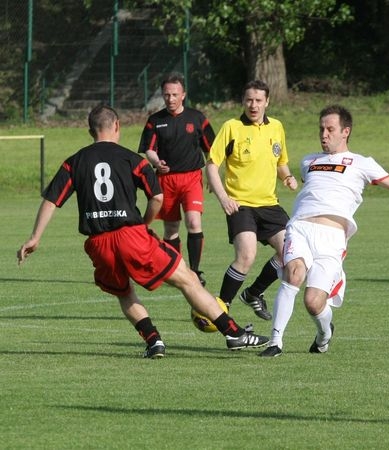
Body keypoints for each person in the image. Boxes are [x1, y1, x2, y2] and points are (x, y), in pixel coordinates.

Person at [17, 105, 268, 359]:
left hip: (98, 243)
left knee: (124, 292)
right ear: (117, 126)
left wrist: (35, 237)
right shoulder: (132, 159)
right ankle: (233, 333)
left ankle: (153, 341)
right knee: (187, 278)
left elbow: (51, 200)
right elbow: (157, 197)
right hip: (131, 235)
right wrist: (145, 223)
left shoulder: (74, 162)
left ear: (90, 131)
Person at [258, 104, 389, 358]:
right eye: (321, 129)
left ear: (345, 132)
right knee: (293, 273)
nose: (324, 134)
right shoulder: (309, 161)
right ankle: (275, 342)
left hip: (332, 238)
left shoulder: (362, 163)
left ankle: (324, 334)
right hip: (300, 228)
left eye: (330, 129)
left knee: (313, 302)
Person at [206, 80, 298, 320]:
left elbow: (280, 162)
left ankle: (254, 293)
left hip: (269, 204)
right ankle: (221, 309)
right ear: (243, 101)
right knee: (246, 255)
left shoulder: (276, 127)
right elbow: (212, 165)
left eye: (258, 100)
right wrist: (223, 198)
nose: (253, 105)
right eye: (249, 100)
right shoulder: (231, 127)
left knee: (291, 252)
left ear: (267, 101)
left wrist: (287, 177)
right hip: (241, 205)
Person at [138, 72, 215, 287]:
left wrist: (213, 175)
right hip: (166, 180)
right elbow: (149, 150)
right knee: (171, 228)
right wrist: (157, 162)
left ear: (183, 95)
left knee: (193, 222)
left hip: (191, 178)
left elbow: (211, 150)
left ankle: (195, 271)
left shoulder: (197, 118)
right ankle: (175, 271)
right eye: (166, 95)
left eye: (174, 94)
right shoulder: (155, 121)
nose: (170, 99)